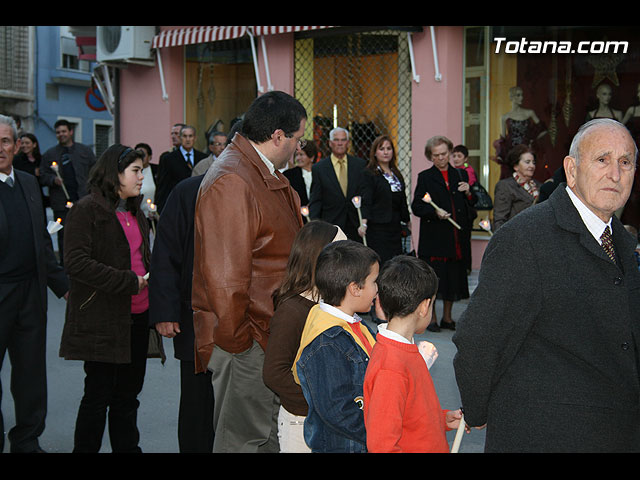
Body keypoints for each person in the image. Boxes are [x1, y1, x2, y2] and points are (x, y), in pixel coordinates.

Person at [453, 118, 640, 452]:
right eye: (602, 160)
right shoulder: (526, 238)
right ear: (571, 169)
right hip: (545, 437)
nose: (615, 174)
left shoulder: (622, 242)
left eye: (625, 162)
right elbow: (478, 338)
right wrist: (478, 409)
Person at [192, 90, 306, 453]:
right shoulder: (233, 180)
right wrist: (239, 343)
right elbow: (225, 281)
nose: (298, 148)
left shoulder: (257, 172)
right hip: (246, 339)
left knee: (266, 437)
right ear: (277, 137)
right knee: (243, 441)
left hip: (264, 332)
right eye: (297, 139)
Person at [59, 144, 163, 453]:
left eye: (142, 171)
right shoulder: (86, 210)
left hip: (138, 317)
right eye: (135, 171)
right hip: (104, 319)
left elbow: (141, 258)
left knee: (128, 397)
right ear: (114, 174)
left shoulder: (137, 213)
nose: (142, 177)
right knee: (98, 396)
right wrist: (129, 281)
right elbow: (76, 262)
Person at [0, 115, 68, 453]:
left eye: (6, 141)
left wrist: (64, 285)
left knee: (29, 374)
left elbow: (42, 242)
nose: (0, 148)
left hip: (30, 293)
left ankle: (26, 439)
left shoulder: (27, 183)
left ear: (16, 145)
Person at [363, 255, 464, 452]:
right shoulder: (391, 367)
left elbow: (409, 413)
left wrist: (441, 419)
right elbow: (382, 445)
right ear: (425, 307)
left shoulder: (403, 349)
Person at [262, 220, 347, 453]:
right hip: (301, 422)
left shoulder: (329, 305)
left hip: (327, 419)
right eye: (342, 253)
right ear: (319, 260)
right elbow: (274, 373)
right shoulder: (293, 310)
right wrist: (316, 402)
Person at [293, 240, 380, 453]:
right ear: (355, 288)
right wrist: (382, 434)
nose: (378, 290)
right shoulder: (327, 342)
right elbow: (338, 410)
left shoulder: (356, 325)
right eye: (374, 282)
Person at [149, 173, 214, 453]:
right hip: (196, 317)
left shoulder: (265, 187)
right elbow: (166, 253)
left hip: (244, 322)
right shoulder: (190, 190)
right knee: (197, 402)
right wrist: (166, 311)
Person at [411, 136, 476, 332]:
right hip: (436, 237)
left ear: (449, 152)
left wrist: (468, 192)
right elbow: (416, 206)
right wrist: (434, 212)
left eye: (444, 154)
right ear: (430, 157)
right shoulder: (425, 177)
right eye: (436, 155)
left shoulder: (460, 175)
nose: (441, 158)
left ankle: (448, 318)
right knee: (434, 279)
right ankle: (432, 319)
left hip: (456, 237)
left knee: (453, 278)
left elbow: (472, 205)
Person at [40, 119, 97, 265]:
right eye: (58, 132)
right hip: (61, 203)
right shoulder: (49, 154)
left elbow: (95, 172)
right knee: (64, 234)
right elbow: (42, 175)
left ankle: (86, 262)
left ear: (71, 132)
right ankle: (66, 265)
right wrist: (53, 179)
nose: (61, 135)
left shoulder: (85, 151)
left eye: (64, 131)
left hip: (83, 200)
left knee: (85, 232)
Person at [308, 127, 368, 241]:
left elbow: (365, 195)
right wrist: (314, 227)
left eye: (343, 140)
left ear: (348, 143)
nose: (340, 143)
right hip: (331, 225)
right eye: (336, 140)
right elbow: (316, 199)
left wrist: (364, 221)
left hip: (356, 226)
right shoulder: (319, 168)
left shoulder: (360, 165)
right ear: (330, 143)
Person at [361, 135, 410, 265]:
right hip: (378, 228)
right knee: (382, 262)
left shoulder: (396, 174)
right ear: (375, 153)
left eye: (389, 148)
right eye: (381, 149)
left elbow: (402, 200)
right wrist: (363, 223)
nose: (386, 152)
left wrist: (408, 221)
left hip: (395, 227)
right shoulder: (370, 174)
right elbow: (367, 199)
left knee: (396, 264)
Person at [494, 86, 547, 180]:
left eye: (522, 95)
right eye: (518, 95)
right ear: (512, 97)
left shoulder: (529, 113)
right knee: (512, 181)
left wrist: (532, 140)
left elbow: (543, 129)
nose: (521, 98)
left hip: (527, 151)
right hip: (513, 154)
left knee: (529, 177)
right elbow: (503, 139)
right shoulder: (505, 117)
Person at [155, 125, 207, 213]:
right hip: (177, 204)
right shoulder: (168, 158)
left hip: (198, 205)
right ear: (180, 137)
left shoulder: (203, 158)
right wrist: (159, 208)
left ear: (195, 138)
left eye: (190, 136)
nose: (187, 139)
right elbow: (163, 185)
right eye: (184, 136)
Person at [492, 144, 541, 231]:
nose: (532, 166)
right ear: (516, 166)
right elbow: (500, 219)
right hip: (516, 238)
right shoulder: (506, 186)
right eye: (527, 162)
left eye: (533, 163)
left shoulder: (539, 186)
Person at [283, 140, 317, 220]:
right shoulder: (289, 175)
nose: (298, 158)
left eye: (301, 155)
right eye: (296, 155)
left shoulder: (320, 172)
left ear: (311, 157)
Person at [13, 132, 46, 213]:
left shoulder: (40, 159)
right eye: (22, 143)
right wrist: (33, 172)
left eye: (27, 143)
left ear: (34, 144)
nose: (24, 145)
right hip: (22, 193)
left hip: (37, 194)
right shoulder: (17, 160)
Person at [134, 143, 156, 220]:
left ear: (150, 157)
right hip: (137, 215)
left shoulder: (156, 170)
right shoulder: (131, 172)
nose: (140, 157)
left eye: (143, 155)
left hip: (153, 215)